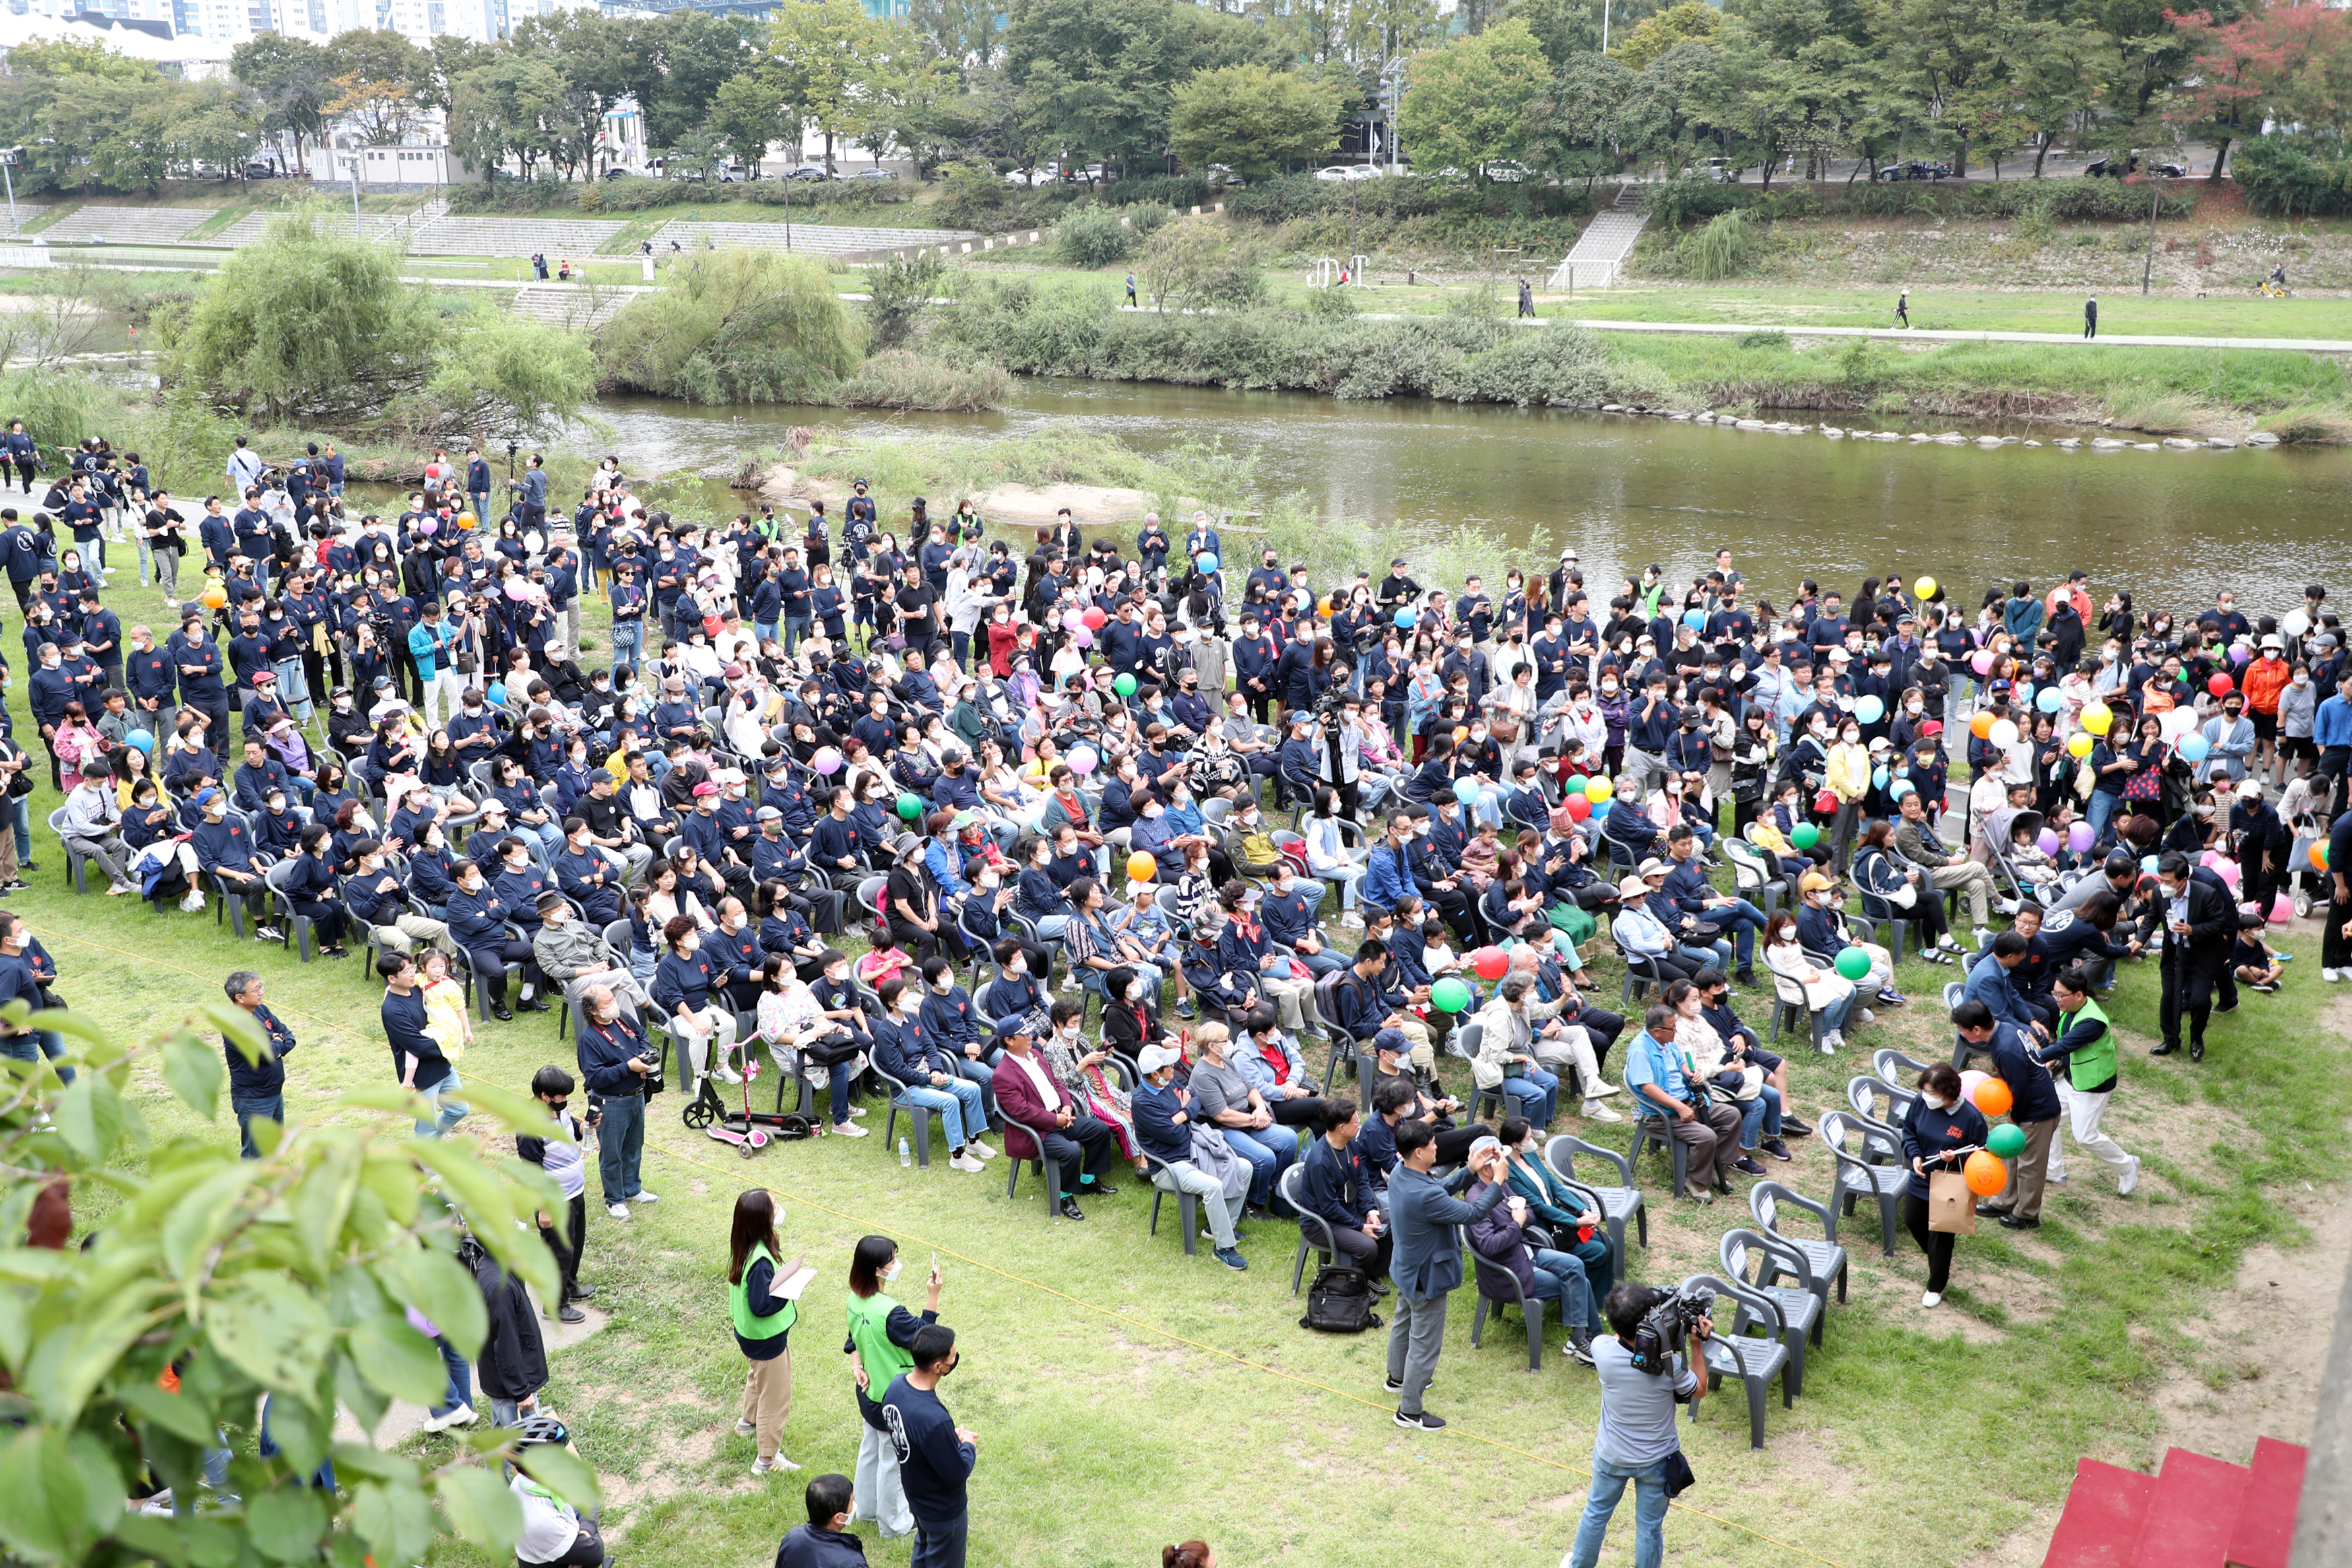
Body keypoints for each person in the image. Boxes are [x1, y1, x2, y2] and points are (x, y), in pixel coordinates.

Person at [1563, 1283, 1710, 1568]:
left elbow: (1617, 1336)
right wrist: (1694, 1343)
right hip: (1657, 1460)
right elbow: (1700, 1388)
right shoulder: (1672, 1368)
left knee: (1596, 1513)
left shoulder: (1602, 1352)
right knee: (1649, 1527)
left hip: (1611, 1455)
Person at [1383, 1125, 1510, 1431]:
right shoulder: (1423, 1193)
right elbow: (1473, 1212)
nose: (1437, 1147)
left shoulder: (1402, 1172)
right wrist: (1499, 1181)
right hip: (1427, 1276)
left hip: (1406, 1268)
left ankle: (1397, 1378)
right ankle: (1410, 1412)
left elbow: (1439, 1190)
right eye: (1432, 1144)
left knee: (1403, 1324)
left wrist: (1470, 1170)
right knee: (1425, 1343)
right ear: (1418, 1152)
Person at [843, 1235, 942, 1541]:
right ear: (876, 1270)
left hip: (869, 1394)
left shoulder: (854, 1299)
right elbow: (924, 1339)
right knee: (893, 1461)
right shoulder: (891, 1312)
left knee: (870, 1449)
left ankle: (867, 1508)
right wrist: (933, 1295)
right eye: (891, 1260)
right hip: (895, 1398)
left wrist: (857, 1365)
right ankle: (894, 1523)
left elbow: (852, 1339)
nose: (896, 1264)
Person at [989, 1011, 1119, 1219]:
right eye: (1025, 1034)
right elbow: (1021, 1111)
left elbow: (1057, 1083)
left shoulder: (1037, 1055)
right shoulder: (1002, 1075)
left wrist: (1067, 1106)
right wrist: (1054, 1120)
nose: (1031, 1036)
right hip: (1038, 1130)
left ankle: (1087, 1180)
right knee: (1071, 1152)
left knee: (1100, 1130)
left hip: (1061, 1116)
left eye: (1029, 1032)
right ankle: (1064, 1197)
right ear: (1009, 1041)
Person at [1952, 999, 2063, 1230]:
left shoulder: (2005, 1048)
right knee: (2009, 1156)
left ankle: (2027, 1215)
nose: (1960, 1033)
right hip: (2030, 1107)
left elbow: (2020, 1088)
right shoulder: (2005, 1029)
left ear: (1976, 1030)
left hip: (2037, 1112)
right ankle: (2003, 1202)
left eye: (1961, 1029)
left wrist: (2014, 1117)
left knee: (2029, 1165)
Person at [1623, 1002, 1744, 1201]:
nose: (1676, 1031)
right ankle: (1695, 1179)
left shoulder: (1667, 1041)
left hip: (1689, 1099)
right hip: (1663, 1112)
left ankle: (1713, 1166)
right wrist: (1679, 1107)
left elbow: (1681, 1061)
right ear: (1656, 1031)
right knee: (1706, 1136)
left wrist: (1689, 1072)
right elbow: (1647, 1088)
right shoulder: (1640, 1050)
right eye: (1672, 1028)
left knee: (1731, 1116)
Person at [2037, 965, 2140, 1197]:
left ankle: (2127, 1164)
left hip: (2091, 1085)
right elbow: (2064, 1042)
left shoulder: (2092, 1022)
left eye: (2060, 995)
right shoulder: (2070, 1008)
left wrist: (2033, 1057)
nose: (2056, 1000)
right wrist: (2056, 1062)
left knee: (2085, 1137)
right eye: (2054, 993)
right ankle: (2054, 1170)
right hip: (2070, 1078)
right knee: (2048, 1119)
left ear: (2079, 995)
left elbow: (2065, 1045)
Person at [882, 1323, 977, 1568]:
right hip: (943, 1511)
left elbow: (912, 1438)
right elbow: (956, 1474)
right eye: (953, 1355)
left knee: (923, 1550)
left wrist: (944, 1441)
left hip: (917, 1498)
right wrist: (966, 1445)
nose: (955, 1358)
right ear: (938, 1367)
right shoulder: (934, 1420)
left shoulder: (895, 1387)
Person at [729, 1187, 807, 1476]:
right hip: (766, 1339)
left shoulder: (743, 1241)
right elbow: (761, 1305)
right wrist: (789, 1290)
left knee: (757, 1378)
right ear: (762, 1219)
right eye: (774, 1208)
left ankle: (747, 1424)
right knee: (776, 1397)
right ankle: (767, 1459)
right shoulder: (760, 1261)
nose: (779, 1209)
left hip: (749, 1336)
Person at [1899, 1062, 1988, 1308]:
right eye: (1925, 1091)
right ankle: (1939, 1258)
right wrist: (1914, 1155)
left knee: (1942, 1234)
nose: (1928, 1097)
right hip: (1922, 1177)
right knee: (1912, 1221)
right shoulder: (1920, 1102)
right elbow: (1909, 1131)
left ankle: (1936, 1285)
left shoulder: (1971, 1118)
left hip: (1950, 1184)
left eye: (1933, 1094)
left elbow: (1981, 1155)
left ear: (1950, 1094)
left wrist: (1956, 1156)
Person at [515, 1064, 594, 1321]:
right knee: (558, 1252)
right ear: (545, 1096)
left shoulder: (558, 1112)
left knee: (574, 1245)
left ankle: (569, 1287)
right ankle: (555, 1305)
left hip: (575, 1192)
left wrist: (585, 1128)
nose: (565, 1102)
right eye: (561, 1098)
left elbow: (571, 1128)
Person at [575, 985, 659, 1219]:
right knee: (612, 1153)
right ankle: (614, 1199)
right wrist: (628, 1067)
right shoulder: (589, 1040)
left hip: (637, 1096)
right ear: (593, 1011)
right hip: (611, 1102)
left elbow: (642, 1036)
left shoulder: (624, 1018)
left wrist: (642, 1057)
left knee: (634, 1146)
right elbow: (595, 1077)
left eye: (612, 999)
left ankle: (632, 1189)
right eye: (607, 1002)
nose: (613, 1004)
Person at [1297, 1097, 1389, 1284]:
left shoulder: (1349, 1144)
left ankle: (1372, 1274)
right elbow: (1329, 1208)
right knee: (1367, 1247)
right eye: (1355, 1121)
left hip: (1349, 1209)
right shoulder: (1320, 1162)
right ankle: (1353, 1283)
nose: (1358, 1124)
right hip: (1323, 1222)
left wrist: (1370, 1210)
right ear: (1341, 1127)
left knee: (1391, 1224)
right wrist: (1360, 1227)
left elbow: (1362, 1178)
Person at [2153, 849, 2234, 1061]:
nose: (2164, 885)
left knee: (2199, 1001)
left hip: (2202, 955)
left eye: (2169, 881)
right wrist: (2139, 939)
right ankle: (2170, 1040)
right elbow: (2153, 916)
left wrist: (2193, 930)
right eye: (2161, 879)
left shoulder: (2206, 893)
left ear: (2183, 880)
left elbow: (2219, 923)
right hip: (2174, 954)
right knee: (2169, 998)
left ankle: (2196, 1038)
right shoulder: (2158, 892)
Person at [381, 954, 465, 1139]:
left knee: (460, 1109)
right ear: (392, 978)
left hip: (441, 1066)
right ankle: (428, 1164)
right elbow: (420, 1047)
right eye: (406, 971)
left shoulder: (418, 990)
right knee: (427, 1125)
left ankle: (426, 1149)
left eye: (412, 968)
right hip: (421, 1076)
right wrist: (450, 1042)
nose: (413, 973)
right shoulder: (393, 1011)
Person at [510, 1414, 605, 1568]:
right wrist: (587, 1531)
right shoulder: (542, 1520)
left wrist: (579, 1541)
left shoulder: (521, 1483)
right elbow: (595, 1553)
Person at [222, 969, 293, 1160]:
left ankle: (274, 1189)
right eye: (256, 989)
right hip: (254, 1099)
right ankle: (252, 1191)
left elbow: (289, 1036)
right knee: (255, 1156)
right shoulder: (235, 1025)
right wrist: (276, 1042)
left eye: (261, 987)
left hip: (274, 1093)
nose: (261, 992)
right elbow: (267, 1054)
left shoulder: (260, 1010)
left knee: (275, 1147)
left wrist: (274, 1043)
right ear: (240, 997)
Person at [776, 1473, 867, 1568]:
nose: (854, 1506)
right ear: (838, 1518)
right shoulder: (852, 1563)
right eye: (852, 1502)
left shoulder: (792, 1537)